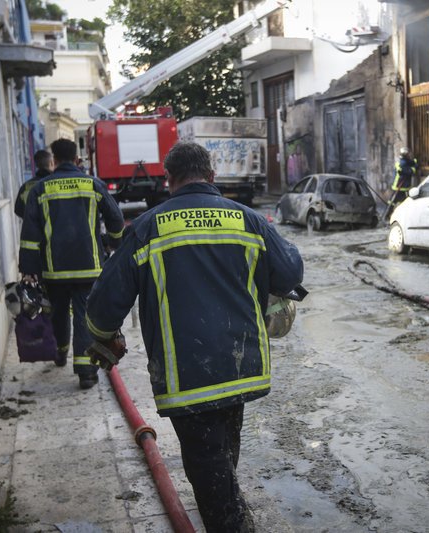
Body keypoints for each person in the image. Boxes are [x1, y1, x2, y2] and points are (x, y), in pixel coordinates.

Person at [84, 142, 304, 532]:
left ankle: (232, 523)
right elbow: (290, 274)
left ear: (169, 180)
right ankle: (232, 512)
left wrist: (103, 336)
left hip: (187, 376)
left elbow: (104, 304)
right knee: (221, 456)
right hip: (241, 369)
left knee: (208, 467)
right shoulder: (249, 220)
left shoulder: (149, 228)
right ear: (213, 176)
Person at [19, 139, 125, 388]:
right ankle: (87, 373)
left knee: (57, 313)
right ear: (77, 159)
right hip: (89, 268)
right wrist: (114, 245)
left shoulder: (40, 189)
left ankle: (60, 352)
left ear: (53, 161)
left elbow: (30, 234)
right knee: (83, 316)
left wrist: (29, 270)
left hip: (54, 270)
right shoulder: (93, 184)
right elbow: (116, 220)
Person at [14, 149, 53, 218]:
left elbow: (18, 209)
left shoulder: (25, 186)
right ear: (51, 163)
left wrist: (31, 220)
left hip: (32, 227)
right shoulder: (54, 183)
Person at [388, 147, 418, 215]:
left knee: (400, 202)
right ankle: (387, 215)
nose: (409, 155)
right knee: (393, 202)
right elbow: (410, 171)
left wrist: (415, 162)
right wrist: (415, 167)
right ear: (405, 154)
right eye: (408, 154)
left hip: (402, 186)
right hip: (400, 186)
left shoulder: (404, 161)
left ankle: (391, 214)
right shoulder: (403, 163)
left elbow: (411, 162)